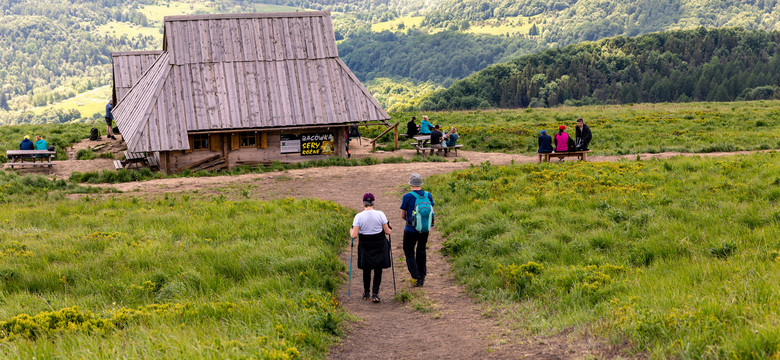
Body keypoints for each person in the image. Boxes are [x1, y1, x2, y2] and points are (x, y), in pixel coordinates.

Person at [350, 193, 392, 303]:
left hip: (365, 245)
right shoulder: (380, 214)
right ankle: (375, 293)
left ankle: (366, 292)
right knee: (378, 269)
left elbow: (354, 235)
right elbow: (387, 232)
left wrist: (351, 231)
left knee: (366, 269)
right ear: (373, 202)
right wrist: (389, 227)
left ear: (363, 203)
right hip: (379, 244)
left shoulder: (358, 216)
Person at [400, 173, 434, 287]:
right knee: (421, 250)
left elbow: (402, 215)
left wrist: (410, 221)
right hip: (425, 229)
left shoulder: (407, 196)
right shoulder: (428, 195)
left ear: (410, 184)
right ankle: (422, 275)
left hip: (410, 229)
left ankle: (416, 277)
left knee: (409, 252)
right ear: (421, 183)